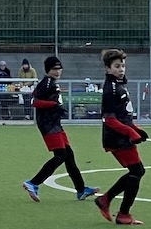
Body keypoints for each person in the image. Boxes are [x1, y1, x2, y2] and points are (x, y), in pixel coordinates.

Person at [22, 55, 99, 202]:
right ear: (47, 70)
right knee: (61, 156)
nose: (57, 71)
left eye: (59, 68)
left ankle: (81, 190)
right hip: (48, 125)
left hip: (55, 124)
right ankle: (33, 183)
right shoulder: (47, 83)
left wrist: (55, 107)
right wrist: (53, 105)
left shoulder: (51, 83)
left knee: (69, 155)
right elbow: (34, 101)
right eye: (54, 69)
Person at [92, 49, 149, 226]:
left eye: (122, 66)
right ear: (108, 69)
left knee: (137, 171)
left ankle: (105, 200)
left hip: (122, 136)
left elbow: (123, 116)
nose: (121, 69)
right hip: (117, 138)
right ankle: (123, 214)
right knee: (137, 171)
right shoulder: (111, 89)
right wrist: (130, 132)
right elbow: (110, 120)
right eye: (117, 66)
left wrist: (136, 129)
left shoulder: (119, 85)